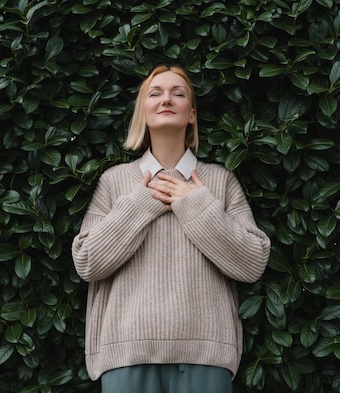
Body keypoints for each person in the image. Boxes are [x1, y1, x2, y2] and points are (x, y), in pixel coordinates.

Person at [71, 65, 271, 393]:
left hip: (206, 355)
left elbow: (252, 262)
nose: (167, 99)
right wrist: (140, 203)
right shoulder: (114, 182)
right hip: (126, 354)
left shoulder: (220, 181)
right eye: (155, 93)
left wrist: (193, 204)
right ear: (143, 112)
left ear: (191, 114)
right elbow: (88, 262)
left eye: (178, 93)